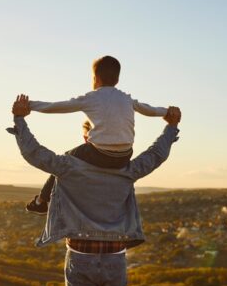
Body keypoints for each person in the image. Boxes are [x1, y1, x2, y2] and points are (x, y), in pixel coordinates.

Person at [8, 94, 181, 286]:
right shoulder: (128, 170)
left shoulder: (70, 167)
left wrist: (20, 119)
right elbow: (155, 155)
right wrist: (170, 127)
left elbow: (35, 153)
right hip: (115, 258)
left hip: (80, 257)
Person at [24, 56, 180, 214]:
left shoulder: (91, 98)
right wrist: (167, 112)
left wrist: (30, 105)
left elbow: (56, 107)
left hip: (99, 153)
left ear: (95, 78)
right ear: (117, 79)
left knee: (63, 161)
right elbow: (149, 110)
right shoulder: (127, 99)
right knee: (77, 156)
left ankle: (41, 201)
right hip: (124, 156)